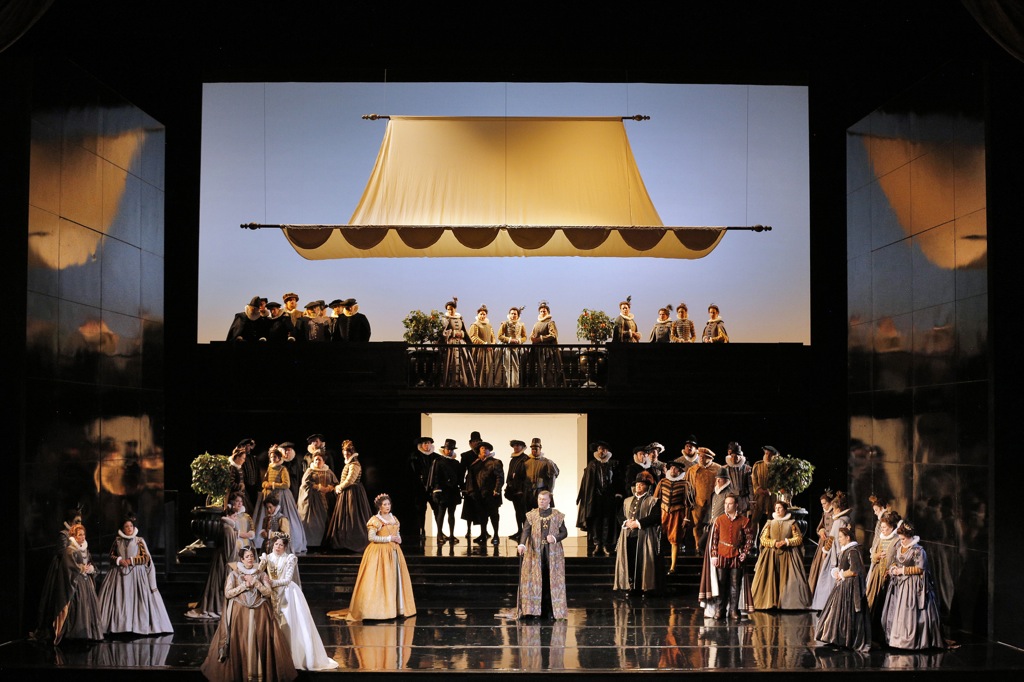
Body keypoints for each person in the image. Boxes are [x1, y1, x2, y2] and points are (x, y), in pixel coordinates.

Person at [200, 546, 297, 682]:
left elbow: (268, 592)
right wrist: (244, 585)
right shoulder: (234, 574)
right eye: (247, 556)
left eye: (252, 556)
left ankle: (258, 673)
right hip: (240, 614)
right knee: (242, 641)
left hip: (260, 613)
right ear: (242, 559)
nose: (250, 558)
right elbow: (228, 593)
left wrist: (255, 582)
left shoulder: (261, 574)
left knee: (259, 640)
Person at [262, 536, 338, 670]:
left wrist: (272, 582)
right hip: (272, 594)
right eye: (276, 544)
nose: (278, 547)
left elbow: (287, 579)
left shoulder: (289, 558)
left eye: (281, 545)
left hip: (287, 594)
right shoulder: (267, 557)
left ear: (285, 547)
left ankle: (293, 656)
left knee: (290, 623)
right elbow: (259, 572)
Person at [342, 494, 417, 621]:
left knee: (394, 579)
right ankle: (378, 610)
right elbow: (371, 537)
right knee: (380, 579)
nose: (387, 506)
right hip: (379, 553)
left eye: (389, 504)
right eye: (385, 505)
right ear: (379, 507)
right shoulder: (375, 520)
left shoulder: (394, 518)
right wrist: (388, 538)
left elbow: (397, 532)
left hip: (394, 552)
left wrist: (398, 539)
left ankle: (396, 608)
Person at [98, 513, 174, 635]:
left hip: (136, 575)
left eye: (131, 526)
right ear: (122, 528)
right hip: (119, 576)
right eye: (126, 526)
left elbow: (146, 558)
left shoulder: (139, 541)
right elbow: (111, 556)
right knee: (119, 601)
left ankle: (136, 626)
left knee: (136, 601)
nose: (129, 528)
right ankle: (120, 626)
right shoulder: (117, 541)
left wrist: (131, 560)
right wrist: (119, 560)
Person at [881, 521, 945, 650]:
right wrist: (893, 568)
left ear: (910, 537)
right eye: (900, 539)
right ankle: (896, 639)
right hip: (899, 584)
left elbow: (920, 569)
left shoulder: (918, 550)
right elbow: (894, 560)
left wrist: (903, 570)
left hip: (912, 585)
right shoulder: (899, 546)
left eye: (903, 539)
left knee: (910, 613)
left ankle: (911, 641)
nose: (901, 541)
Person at [814, 525, 871, 652]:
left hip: (849, 587)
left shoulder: (852, 551)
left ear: (848, 537)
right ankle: (836, 638)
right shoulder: (846, 550)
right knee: (836, 612)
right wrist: (838, 573)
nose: (839, 539)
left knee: (847, 614)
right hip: (843, 585)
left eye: (840, 537)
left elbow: (854, 570)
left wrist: (841, 574)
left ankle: (845, 639)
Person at [750, 501, 812, 610]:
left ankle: (788, 603)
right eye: (776, 508)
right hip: (771, 554)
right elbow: (763, 539)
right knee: (770, 577)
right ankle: (771, 602)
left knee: (790, 577)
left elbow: (798, 538)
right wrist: (774, 543)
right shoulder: (770, 523)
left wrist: (787, 542)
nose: (778, 510)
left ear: (785, 510)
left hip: (789, 554)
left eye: (780, 508)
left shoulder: (792, 523)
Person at [186, 496, 240, 620]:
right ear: (230, 516)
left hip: (220, 558)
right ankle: (219, 607)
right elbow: (229, 549)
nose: (236, 518)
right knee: (221, 584)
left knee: (217, 584)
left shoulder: (225, 527)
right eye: (235, 516)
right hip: (225, 560)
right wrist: (232, 565)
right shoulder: (228, 529)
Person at [516, 490, 568, 619]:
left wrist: (555, 538)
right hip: (535, 552)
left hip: (552, 553)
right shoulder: (532, 515)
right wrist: (522, 544)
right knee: (535, 580)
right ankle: (533, 611)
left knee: (550, 580)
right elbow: (525, 531)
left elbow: (564, 532)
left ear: (549, 500)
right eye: (539, 499)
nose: (541, 501)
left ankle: (550, 611)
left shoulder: (557, 515)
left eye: (544, 499)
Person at [702, 493, 754, 620]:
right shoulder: (719, 520)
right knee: (721, 583)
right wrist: (714, 555)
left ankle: (733, 610)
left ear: (736, 505)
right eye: (725, 504)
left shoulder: (744, 521)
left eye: (730, 504)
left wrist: (744, 553)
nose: (727, 506)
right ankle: (720, 610)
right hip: (721, 554)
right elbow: (714, 539)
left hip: (736, 555)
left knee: (735, 584)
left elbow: (749, 539)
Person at [33, 507, 81, 641]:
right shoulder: (64, 534)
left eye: (80, 521)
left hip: (74, 568)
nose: (79, 524)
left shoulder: (78, 534)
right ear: (70, 521)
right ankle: (59, 630)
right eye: (77, 521)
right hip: (62, 569)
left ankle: (73, 630)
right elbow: (62, 552)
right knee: (61, 597)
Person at [613, 472, 663, 595]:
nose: (638, 486)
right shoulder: (627, 501)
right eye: (637, 484)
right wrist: (626, 522)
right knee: (629, 560)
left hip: (644, 535)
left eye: (641, 484)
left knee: (643, 561)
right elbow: (620, 515)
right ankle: (631, 586)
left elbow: (656, 517)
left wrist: (638, 523)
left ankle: (644, 587)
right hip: (628, 536)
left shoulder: (653, 501)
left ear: (647, 487)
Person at [252, 445, 307, 554]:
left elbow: (286, 484)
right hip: (268, 495)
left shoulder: (282, 469)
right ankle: (263, 542)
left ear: (279, 458)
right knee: (266, 516)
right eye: (271, 457)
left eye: (275, 457)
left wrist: (272, 484)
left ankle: (282, 541)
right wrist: (265, 484)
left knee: (282, 516)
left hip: (281, 495)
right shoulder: (270, 467)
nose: (273, 459)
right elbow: (265, 480)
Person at [54, 523, 103, 643]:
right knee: (78, 607)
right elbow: (69, 566)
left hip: (86, 582)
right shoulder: (70, 550)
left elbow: (90, 562)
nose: (82, 537)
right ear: (74, 536)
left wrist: (91, 569)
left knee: (89, 606)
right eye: (80, 535)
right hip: (77, 582)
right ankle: (75, 634)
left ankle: (88, 633)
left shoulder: (85, 548)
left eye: (83, 534)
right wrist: (81, 568)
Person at [325, 440, 372, 553]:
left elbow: (350, 480)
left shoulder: (355, 464)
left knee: (353, 516)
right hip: (347, 493)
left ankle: (354, 541)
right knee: (345, 517)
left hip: (353, 494)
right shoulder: (350, 464)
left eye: (347, 453)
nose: (346, 455)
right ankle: (344, 541)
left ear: (352, 453)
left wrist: (339, 487)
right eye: (344, 453)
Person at [576, 440, 621, 557]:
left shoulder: (613, 464)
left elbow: (617, 480)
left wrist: (617, 493)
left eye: (604, 449)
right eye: (600, 449)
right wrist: (583, 497)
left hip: (608, 498)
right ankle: (597, 545)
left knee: (606, 522)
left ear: (607, 451)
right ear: (597, 450)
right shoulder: (592, 464)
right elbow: (586, 482)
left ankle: (605, 545)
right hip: (594, 498)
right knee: (596, 522)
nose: (602, 451)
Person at [811, 490, 852, 610]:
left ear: (838, 509)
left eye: (834, 509)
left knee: (829, 579)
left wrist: (825, 551)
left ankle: (828, 604)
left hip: (836, 554)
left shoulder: (839, 521)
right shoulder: (847, 519)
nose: (833, 511)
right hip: (844, 551)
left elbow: (832, 538)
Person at [867, 510, 902, 642]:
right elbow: (872, 555)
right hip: (877, 575)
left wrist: (892, 568)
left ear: (892, 527)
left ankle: (887, 634)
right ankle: (873, 632)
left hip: (891, 576)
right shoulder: (880, 538)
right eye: (881, 527)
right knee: (875, 602)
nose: (883, 530)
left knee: (888, 605)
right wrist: (876, 556)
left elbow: (899, 558)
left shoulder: (897, 540)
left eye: (885, 528)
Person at [653, 458, 693, 574]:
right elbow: (655, 499)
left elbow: (688, 503)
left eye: (675, 469)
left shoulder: (685, 484)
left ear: (680, 471)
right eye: (671, 468)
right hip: (663, 512)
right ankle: (656, 564)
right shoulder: (663, 482)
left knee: (675, 539)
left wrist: (686, 518)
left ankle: (672, 566)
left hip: (677, 514)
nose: (673, 470)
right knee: (658, 537)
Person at [297, 451, 338, 549]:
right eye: (316, 460)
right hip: (313, 501)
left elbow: (335, 483)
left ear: (324, 461)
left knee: (326, 522)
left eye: (319, 460)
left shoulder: (328, 471)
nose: (317, 462)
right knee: (313, 522)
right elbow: (305, 484)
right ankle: (312, 544)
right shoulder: (310, 471)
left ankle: (324, 544)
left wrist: (329, 488)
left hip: (327, 500)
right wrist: (318, 487)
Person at [426, 438, 463, 545]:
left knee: (452, 514)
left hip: (453, 491)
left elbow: (459, 478)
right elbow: (435, 477)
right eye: (448, 449)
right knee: (441, 513)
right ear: (444, 449)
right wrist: (436, 490)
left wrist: (462, 488)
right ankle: (439, 534)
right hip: (442, 491)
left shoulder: (456, 463)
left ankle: (451, 535)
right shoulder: (438, 461)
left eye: (451, 449)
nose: (449, 451)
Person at [468, 441, 504, 545]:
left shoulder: (495, 462)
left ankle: (496, 535)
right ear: (479, 450)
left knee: (494, 515)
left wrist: (497, 490)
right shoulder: (475, 464)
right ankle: (483, 534)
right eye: (482, 448)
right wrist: (471, 491)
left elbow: (500, 477)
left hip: (492, 494)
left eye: (486, 448)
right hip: (479, 494)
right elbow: (470, 479)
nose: (484, 450)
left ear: (489, 450)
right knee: (482, 515)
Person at [687, 445, 721, 555]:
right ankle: (698, 547)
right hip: (697, 502)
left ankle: (713, 547)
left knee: (714, 525)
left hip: (713, 502)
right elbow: (687, 486)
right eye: (700, 456)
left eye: (704, 457)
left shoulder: (718, 468)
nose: (701, 458)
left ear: (710, 458)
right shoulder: (693, 470)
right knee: (697, 525)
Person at [440, 297, 475, 386]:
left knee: (463, 362)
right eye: (448, 309)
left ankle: (463, 382)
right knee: (451, 363)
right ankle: (450, 383)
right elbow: (443, 332)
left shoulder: (460, 319)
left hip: (461, 343)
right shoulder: (445, 319)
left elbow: (464, 331)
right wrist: (453, 333)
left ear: (455, 309)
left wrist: (462, 334)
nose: (450, 311)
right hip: (451, 344)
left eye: (451, 309)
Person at [528, 301, 562, 387]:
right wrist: (532, 338)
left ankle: (548, 387)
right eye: (541, 311)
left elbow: (553, 335)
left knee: (548, 370)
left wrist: (540, 339)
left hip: (547, 351)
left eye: (544, 311)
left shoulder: (550, 323)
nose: (543, 313)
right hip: (536, 351)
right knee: (538, 370)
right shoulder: (536, 324)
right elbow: (532, 334)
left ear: (548, 312)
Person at [523, 437, 559, 512]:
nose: (534, 450)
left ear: (540, 448)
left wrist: (550, 491)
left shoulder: (547, 462)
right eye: (532, 449)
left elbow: (552, 477)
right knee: (527, 513)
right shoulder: (526, 462)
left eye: (536, 448)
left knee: (541, 513)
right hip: (528, 492)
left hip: (541, 491)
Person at [505, 439, 530, 541]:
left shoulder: (525, 459)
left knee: (523, 512)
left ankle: (524, 532)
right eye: (514, 445)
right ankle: (519, 530)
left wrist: (522, 488)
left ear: (522, 447)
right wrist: (508, 484)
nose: (515, 447)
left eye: (518, 445)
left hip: (522, 490)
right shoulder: (513, 459)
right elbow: (509, 474)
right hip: (514, 490)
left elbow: (526, 475)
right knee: (517, 511)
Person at [749, 445, 780, 530]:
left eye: (770, 455)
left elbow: (779, 482)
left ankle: (769, 537)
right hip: (760, 496)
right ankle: (752, 537)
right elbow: (754, 479)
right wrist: (758, 489)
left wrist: (771, 491)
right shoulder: (758, 465)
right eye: (766, 454)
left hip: (772, 497)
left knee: (771, 519)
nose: (767, 456)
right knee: (754, 519)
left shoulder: (777, 467)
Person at [468, 304, 500, 386]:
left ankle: (489, 385)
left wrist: (492, 344)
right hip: (480, 349)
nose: (482, 316)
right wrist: (484, 344)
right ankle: (479, 385)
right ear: (478, 314)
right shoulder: (475, 325)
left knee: (490, 367)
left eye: (484, 314)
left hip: (489, 349)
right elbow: (473, 337)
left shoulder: (489, 325)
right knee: (480, 367)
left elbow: (493, 337)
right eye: (481, 314)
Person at [497, 306, 527, 387]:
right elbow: (499, 336)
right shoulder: (505, 324)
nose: (513, 315)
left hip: (517, 348)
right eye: (512, 313)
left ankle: (515, 384)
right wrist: (510, 340)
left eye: (515, 314)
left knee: (516, 366)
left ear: (518, 315)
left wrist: (519, 340)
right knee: (506, 366)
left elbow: (524, 337)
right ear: (509, 314)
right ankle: (507, 384)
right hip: (507, 347)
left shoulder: (521, 325)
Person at [722, 442, 753, 516]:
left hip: (743, 499)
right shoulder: (725, 469)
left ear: (740, 457)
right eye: (732, 456)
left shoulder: (747, 469)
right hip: (730, 499)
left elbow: (750, 486)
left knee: (743, 519)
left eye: (736, 456)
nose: (734, 458)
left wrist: (751, 500)